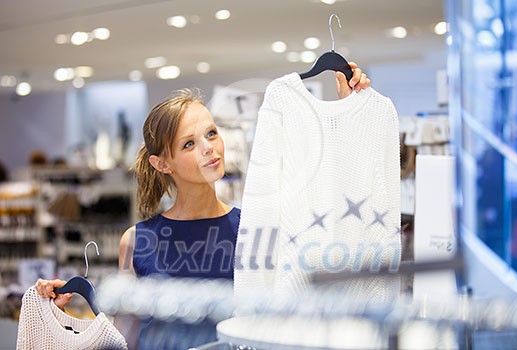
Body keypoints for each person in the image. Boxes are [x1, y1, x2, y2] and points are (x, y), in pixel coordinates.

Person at [34, 64, 371, 349]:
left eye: (211, 133)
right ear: (162, 163)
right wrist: (64, 308)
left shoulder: (252, 228)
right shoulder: (137, 241)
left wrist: (349, 114)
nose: (210, 148)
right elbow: (126, 334)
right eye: (190, 143)